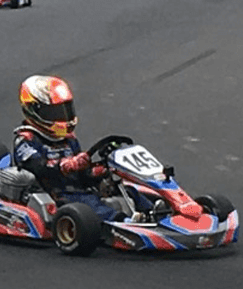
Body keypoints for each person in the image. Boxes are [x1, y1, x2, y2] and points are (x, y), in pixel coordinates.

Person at [11, 75, 153, 222]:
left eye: (64, 110)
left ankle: (155, 213)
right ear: (34, 110)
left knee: (129, 190)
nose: (62, 117)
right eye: (54, 112)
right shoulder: (26, 139)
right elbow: (38, 168)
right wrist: (66, 165)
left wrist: (97, 171)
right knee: (91, 205)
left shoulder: (68, 139)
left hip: (79, 189)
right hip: (56, 193)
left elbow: (82, 173)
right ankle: (124, 222)